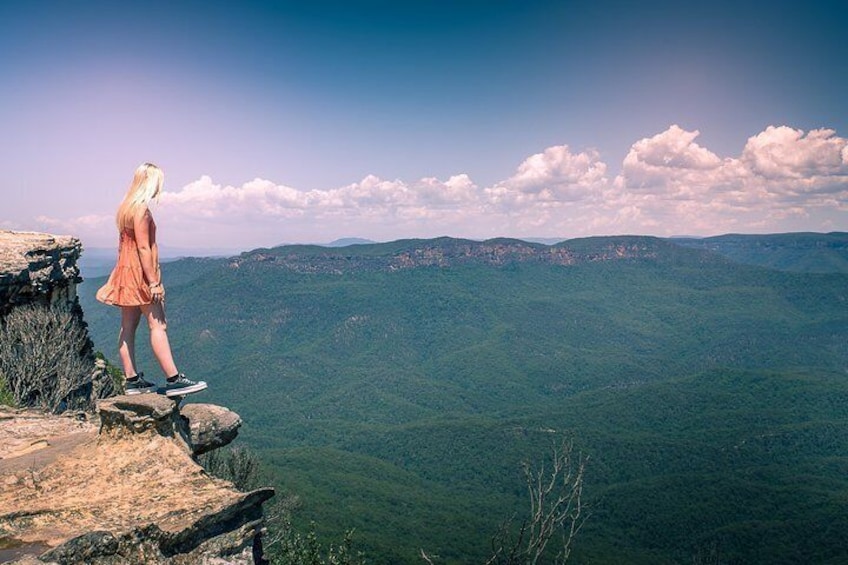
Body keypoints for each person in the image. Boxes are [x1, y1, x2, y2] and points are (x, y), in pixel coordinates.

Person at [96, 162, 207, 397]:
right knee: (158, 325)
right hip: (141, 274)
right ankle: (174, 379)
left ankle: (132, 380)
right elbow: (144, 247)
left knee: (127, 327)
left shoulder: (124, 208)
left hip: (124, 271)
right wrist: (154, 282)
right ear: (150, 183)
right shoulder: (141, 210)